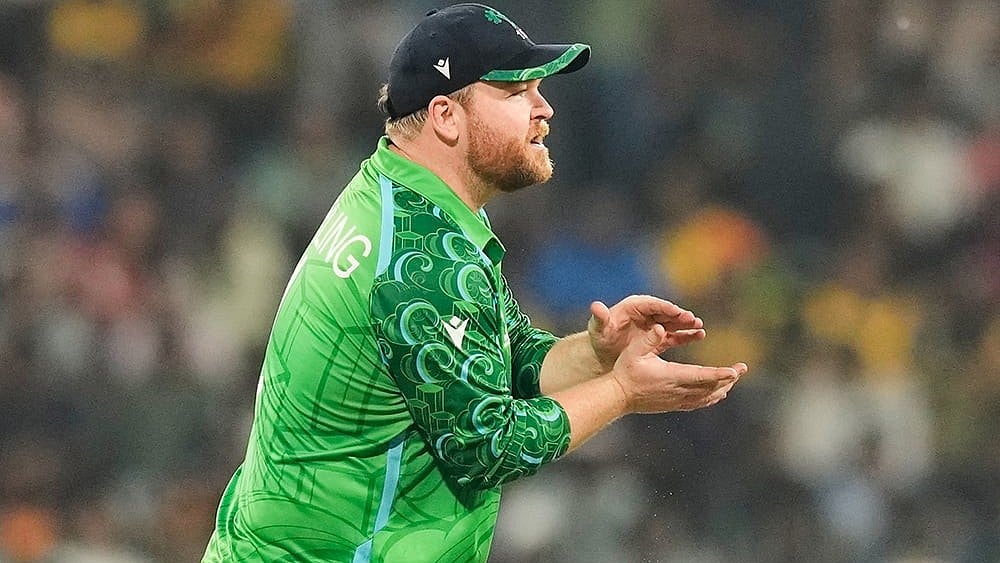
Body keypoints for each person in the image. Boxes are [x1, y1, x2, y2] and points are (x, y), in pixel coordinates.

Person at [202, 4, 747, 562]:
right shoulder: (421, 256)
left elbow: (499, 362)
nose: (545, 109)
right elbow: (487, 445)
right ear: (445, 116)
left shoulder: (405, 199)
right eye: (517, 93)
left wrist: (597, 352)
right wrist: (622, 392)